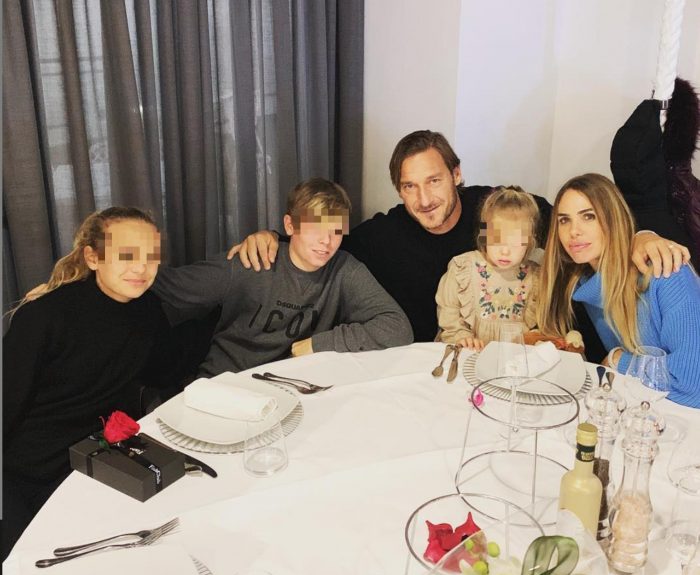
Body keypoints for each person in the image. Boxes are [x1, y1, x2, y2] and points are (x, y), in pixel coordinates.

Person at [228, 131, 690, 361]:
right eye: (409, 187)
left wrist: (643, 234)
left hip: (522, 356)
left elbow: (586, 220)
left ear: (456, 174)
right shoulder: (383, 235)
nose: (424, 198)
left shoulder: (497, 207)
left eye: (433, 180)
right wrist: (275, 237)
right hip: (432, 366)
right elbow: (323, 238)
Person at [3, 207, 170, 559]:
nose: (141, 268)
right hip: (26, 470)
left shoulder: (149, 309)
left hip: (95, 458)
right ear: (93, 258)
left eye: (151, 256)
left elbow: (160, 372)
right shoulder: (44, 315)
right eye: (126, 255)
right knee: (27, 563)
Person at [152, 178, 413, 377]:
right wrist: (130, 260)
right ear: (290, 225)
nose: (326, 241)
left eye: (336, 230)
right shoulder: (252, 261)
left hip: (294, 387)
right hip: (228, 384)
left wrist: (320, 344)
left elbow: (398, 328)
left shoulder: (345, 269)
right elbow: (170, 286)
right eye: (316, 227)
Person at [537, 173, 700, 408]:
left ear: (613, 219)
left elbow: (692, 384)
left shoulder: (666, 272)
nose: (574, 231)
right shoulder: (582, 284)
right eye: (564, 220)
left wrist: (618, 359)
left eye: (589, 216)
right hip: (644, 411)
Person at [435, 186, 540, 350]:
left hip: (512, 357)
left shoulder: (535, 277)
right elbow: (449, 313)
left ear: (529, 241)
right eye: (497, 239)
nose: (505, 251)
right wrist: (462, 337)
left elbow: (539, 327)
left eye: (515, 242)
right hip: (469, 352)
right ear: (484, 235)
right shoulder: (463, 267)